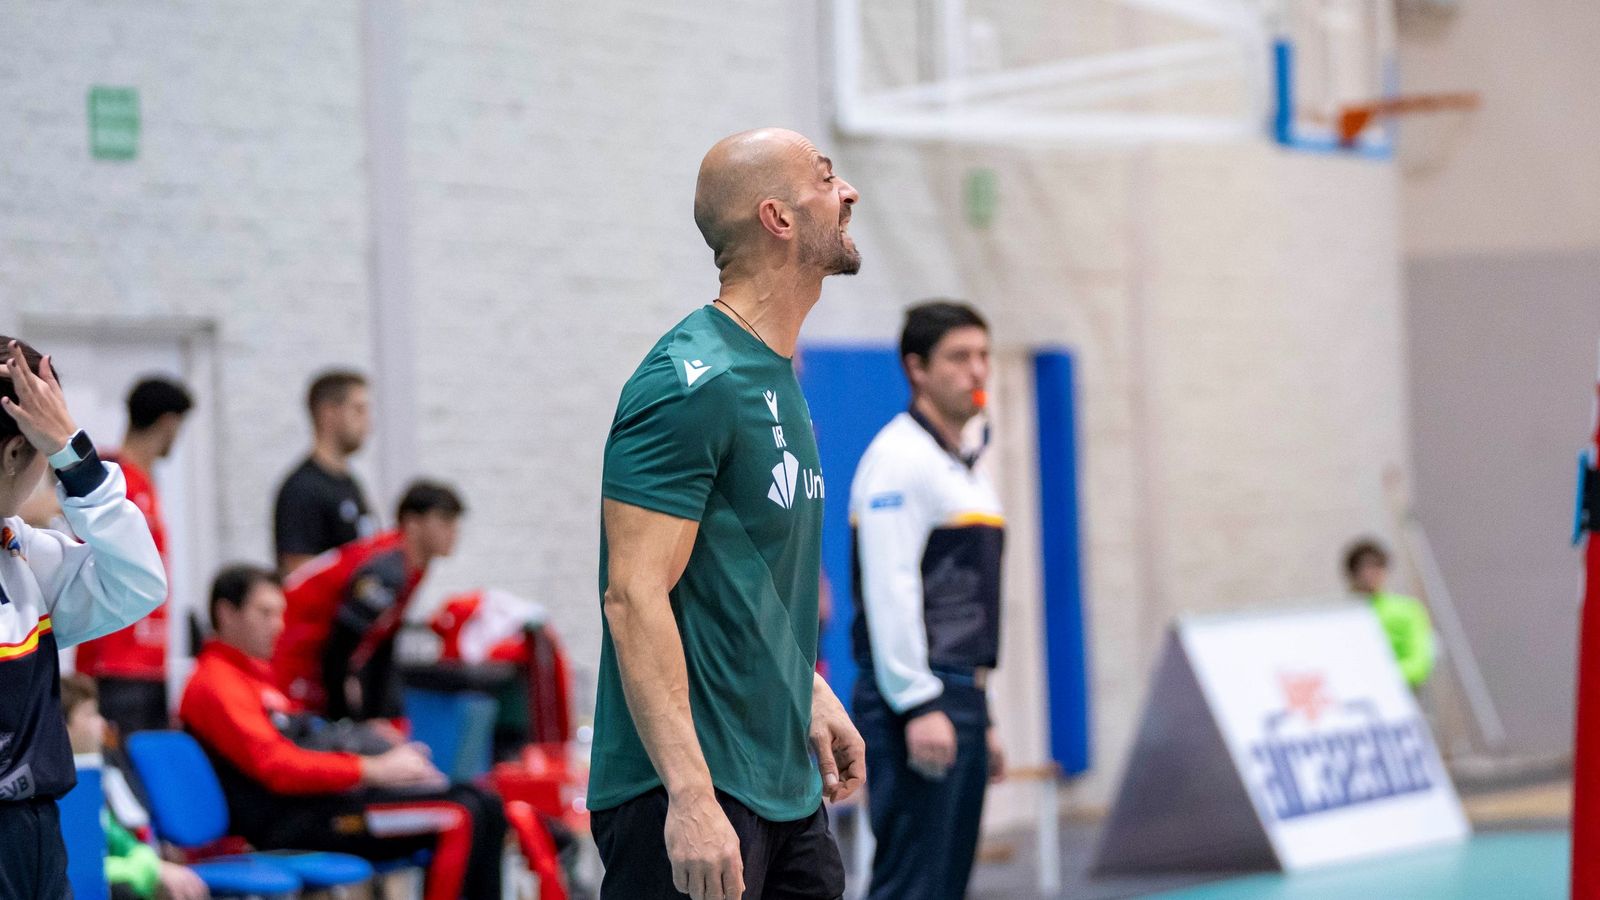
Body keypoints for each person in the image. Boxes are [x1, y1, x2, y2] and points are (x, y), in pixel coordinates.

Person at [588, 127, 865, 900]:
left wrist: (804, 689)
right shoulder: (690, 381)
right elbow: (633, 593)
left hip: (781, 785)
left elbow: (739, 572)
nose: (847, 193)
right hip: (693, 792)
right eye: (826, 179)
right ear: (778, 218)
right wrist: (689, 797)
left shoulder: (772, 374)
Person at [180, 563, 505, 900]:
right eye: (265, 613)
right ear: (226, 613)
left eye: (280, 614)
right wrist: (373, 770)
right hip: (290, 822)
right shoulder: (216, 683)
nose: (278, 626)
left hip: (324, 803)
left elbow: (311, 740)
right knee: (460, 812)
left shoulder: (257, 678)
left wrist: (374, 745)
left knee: (484, 801)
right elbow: (277, 767)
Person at [849, 301, 1007, 900]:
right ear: (917, 369)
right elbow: (890, 589)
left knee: (945, 884)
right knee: (911, 884)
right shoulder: (899, 459)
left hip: (960, 695)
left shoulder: (964, 468)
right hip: (914, 700)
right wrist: (918, 703)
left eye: (983, 355)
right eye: (959, 357)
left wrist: (983, 714)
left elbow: (969, 609)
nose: (977, 371)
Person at [0, 338, 167, 899]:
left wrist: (77, 459)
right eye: (47, 454)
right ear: (14, 454)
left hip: (36, 836)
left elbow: (138, 582)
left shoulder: (22, 552)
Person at [272, 480, 464, 721]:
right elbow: (340, 647)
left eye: (455, 523)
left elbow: (380, 641)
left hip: (310, 657)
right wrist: (348, 719)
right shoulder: (388, 569)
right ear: (412, 523)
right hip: (290, 654)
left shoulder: (410, 566)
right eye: (444, 521)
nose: (453, 532)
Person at [74, 377, 194, 735]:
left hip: (149, 660)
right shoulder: (109, 480)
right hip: (112, 660)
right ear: (169, 423)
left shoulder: (144, 481)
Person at [60, 674, 210, 900]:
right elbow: (81, 866)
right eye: (90, 714)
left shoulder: (103, 771)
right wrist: (151, 871)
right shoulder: (60, 791)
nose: (102, 723)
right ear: (62, 726)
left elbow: (123, 841)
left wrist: (155, 866)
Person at [273, 370, 376, 576]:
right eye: (358, 410)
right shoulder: (302, 489)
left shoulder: (350, 482)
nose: (368, 422)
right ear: (328, 413)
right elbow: (299, 572)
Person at [1345, 538, 1436, 689]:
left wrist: (1379, 677)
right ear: (1353, 574)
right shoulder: (1343, 617)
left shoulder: (1407, 609)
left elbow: (1419, 663)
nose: (1369, 574)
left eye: (1376, 566)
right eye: (1363, 568)